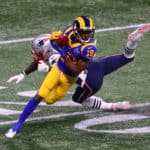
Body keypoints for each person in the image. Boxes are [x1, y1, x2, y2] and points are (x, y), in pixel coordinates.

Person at [5, 16, 97, 138]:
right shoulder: (68, 32)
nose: (86, 36)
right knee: (40, 95)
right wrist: (24, 73)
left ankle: (85, 81)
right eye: (83, 32)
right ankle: (17, 126)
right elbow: (46, 53)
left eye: (89, 32)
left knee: (49, 100)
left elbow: (75, 69)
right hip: (58, 68)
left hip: (70, 76)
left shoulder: (90, 48)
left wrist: (63, 55)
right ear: (75, 31)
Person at [73, 23, 150, 111]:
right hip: (96, 64)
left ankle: (112, 106)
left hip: (91, 81)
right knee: (127, 57)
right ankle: (133, 41)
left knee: (77, 98)